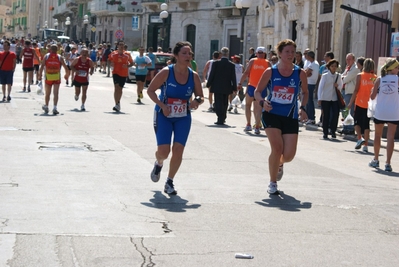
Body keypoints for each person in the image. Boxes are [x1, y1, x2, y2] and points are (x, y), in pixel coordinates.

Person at [147, 41, 204, 195]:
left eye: (190, 53)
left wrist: (195, 101)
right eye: (184, 53)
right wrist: (162, 105)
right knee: (164, 152)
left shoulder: (194, 76)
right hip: (164, 115)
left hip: (183, 116)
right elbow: (151, 90)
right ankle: (159, 163)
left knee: (178, 150)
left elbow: (201, 96)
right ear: (176, 56)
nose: (188, 56)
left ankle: (169, 181)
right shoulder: (166, 72)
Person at [254, 39, 308, 195]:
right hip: (271, 114)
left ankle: (280, 164)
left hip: (290, 115)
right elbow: (258, 91)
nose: (290, 55)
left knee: (289, 155)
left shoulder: (300, 73)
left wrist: (303, 107)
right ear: (279, 53)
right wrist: (262, 102)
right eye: (287, 52)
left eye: (293, 52)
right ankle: (272, 183)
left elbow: (305, 92)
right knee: (277, 148)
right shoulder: (271, 71)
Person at [368, 58, 399, 172]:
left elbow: (372, 97)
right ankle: (388, 163)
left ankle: (376, 159)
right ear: (392, 68)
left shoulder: (380, 79)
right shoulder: (398, 80)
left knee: (377, 135)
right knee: (391, 138)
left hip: (381, 111)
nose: (398, 70)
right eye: (397, 67)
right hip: (394, 112)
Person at [238, 46, 271, 134]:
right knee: (257, 107)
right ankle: (256, 126)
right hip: (260, 88)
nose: (259, 54)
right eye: (259, 53)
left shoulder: (253, 61)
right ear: (256, 53)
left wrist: (240, 83)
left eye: (261, 53)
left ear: (264, 54)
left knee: (249, 106)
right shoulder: (267, 63)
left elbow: (246, 72)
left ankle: (250, 125)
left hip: (253, 86)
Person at [348, 58, 376, 152]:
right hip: (370, 104)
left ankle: (360, 138)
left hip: (360, 102)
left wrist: (350, 102)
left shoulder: (360, 76)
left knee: (356, 122)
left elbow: (356, 90)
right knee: (366, 125)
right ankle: (366, 145)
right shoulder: (374, 78)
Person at [206, 47, 237, 125]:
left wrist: (208, 83)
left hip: (217, 85)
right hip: (227, 86)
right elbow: (233, 77)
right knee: (225, 102)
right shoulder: (231, 65)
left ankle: (220, 117)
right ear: (228, 54)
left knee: (218, 101)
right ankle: (223, 117)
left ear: (221, 54)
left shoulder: (216, 63)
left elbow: (212, 74)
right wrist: (234, 87)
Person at [38, 44, 70, 115]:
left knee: (47, 93)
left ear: (50, 50)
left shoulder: (46, 56)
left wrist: (39, 75)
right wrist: (67, 74)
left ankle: (46, 106)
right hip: (56, 77)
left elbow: (42, 66)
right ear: (57, 50)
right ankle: (55, 108)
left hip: (48, 77)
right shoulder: (59, 57)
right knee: (56, 93)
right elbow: (65, 67)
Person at [317, 59, 343, 139]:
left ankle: (333, 131)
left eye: (335, 66)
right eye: (332, 66)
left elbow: (341, 86)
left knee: (335, 114)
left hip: (335, 98)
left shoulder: (338, 76)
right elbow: (320, 87)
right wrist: (319, 98)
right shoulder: (325, 76)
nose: (334, 68)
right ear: (329, 67)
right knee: (326, 115)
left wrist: (337, 86)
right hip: (326, 98)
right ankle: (325, 132)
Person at [108, 41, 134, 112]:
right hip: (115, 72)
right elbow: (109, 60)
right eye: (120, 45)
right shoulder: (113, 53)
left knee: (120, 88)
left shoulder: (127, 54)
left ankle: (118, 102)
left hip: (123, 73)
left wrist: (127, 66)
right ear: (118, 46)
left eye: (122, 45)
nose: (121, 46)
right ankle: (117, 104)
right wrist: (111, 64)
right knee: (116, 87)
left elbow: (132, 63)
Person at [303, 51, 319, 125]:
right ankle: (308, 117)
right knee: (308, 101)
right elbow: (306, 72)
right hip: (309, 83)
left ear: (310, 56)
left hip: (311, 83)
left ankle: (311, 118)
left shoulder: (314, 64)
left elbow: (306, 73)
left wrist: (306, 73)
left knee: (309, 101)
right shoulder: (311, 63)